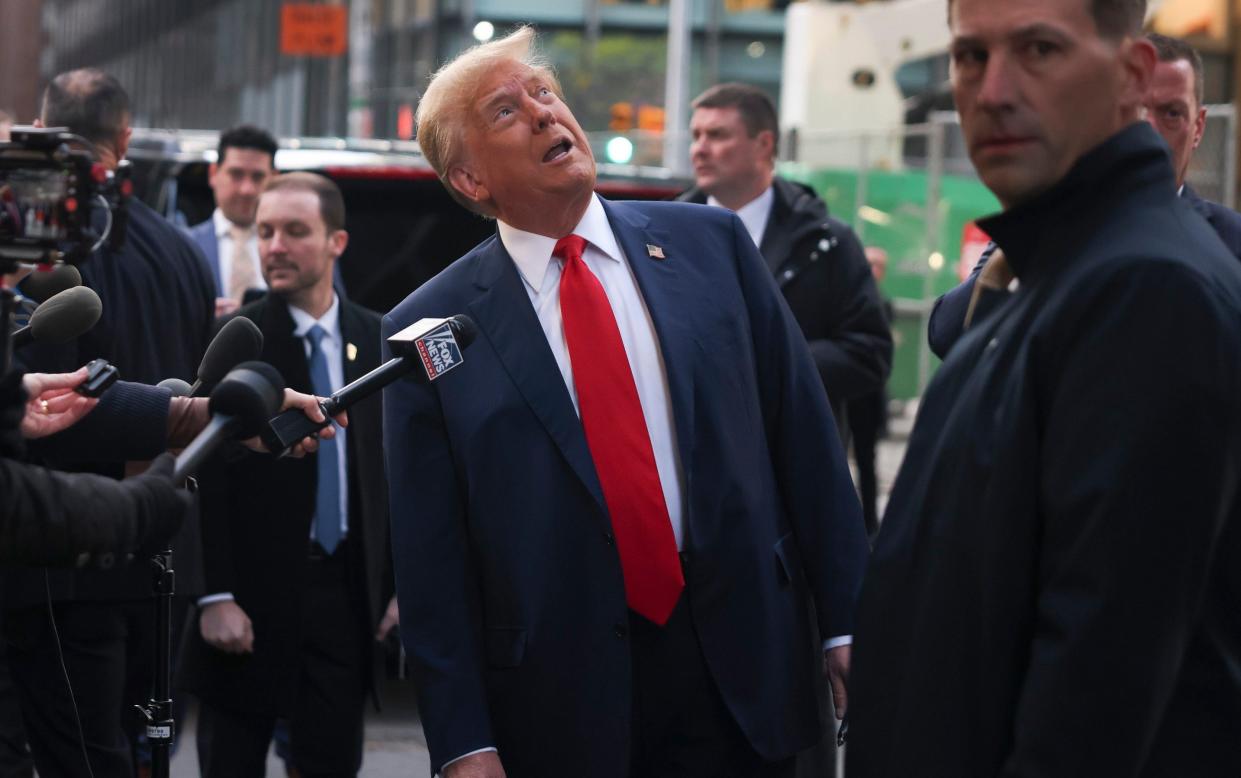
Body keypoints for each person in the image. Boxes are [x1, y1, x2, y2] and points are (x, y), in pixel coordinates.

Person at [383, 26, 868, 778]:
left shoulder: (712, 245)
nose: (545, 114)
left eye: (544, 92)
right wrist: (462, 739)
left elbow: (802, 442)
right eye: (506, 112)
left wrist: (847, 621)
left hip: (747, 665)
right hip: (559, 699)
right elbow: (428, 555)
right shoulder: (431, 327)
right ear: (470, 179)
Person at [847, 1, 1241, 776]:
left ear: (1128, 75)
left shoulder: (1143, 286)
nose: (992, 91)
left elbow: (1096, 683)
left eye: (1037, 51)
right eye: (967, 57)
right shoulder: (1050, 270)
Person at [2, 68, 217, 778]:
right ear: (125, 138)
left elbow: (56, 416)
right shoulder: (186, 253)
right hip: (156, 551)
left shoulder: (58, 253)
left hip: (70, 564)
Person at [178, 172, 395, 778]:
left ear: (337, 243)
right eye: (265, 230)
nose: (274, 245)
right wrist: (214, 596)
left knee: (330, 763)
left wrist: (394, 583)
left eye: (295, 231)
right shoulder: (236, 338)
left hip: (345, 599)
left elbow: (395, 469)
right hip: (247, 601)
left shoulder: (375, 335)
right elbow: (202, 476)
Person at [929, 30, 1241, 359]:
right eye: (1134, 110)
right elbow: (946, 335)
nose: (1149, 131)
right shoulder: (1053, 224)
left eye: (1172, 114)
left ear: (1198, 128)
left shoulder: (1232, 244)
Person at [677, 83, 891, 434]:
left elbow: (869, 355)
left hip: (792, 456)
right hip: (690, 454)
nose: (699, 149)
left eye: (717, 135)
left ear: (764, 145)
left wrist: (768, 364)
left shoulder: (828, 241)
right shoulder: (660, 235)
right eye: (696, 135)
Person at [188, 125, 279, 317]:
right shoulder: (184, 246)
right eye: (236, 174)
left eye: (258, 177)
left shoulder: (299, 248)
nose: (247, 189)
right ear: (213, 173)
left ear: (274, 178)